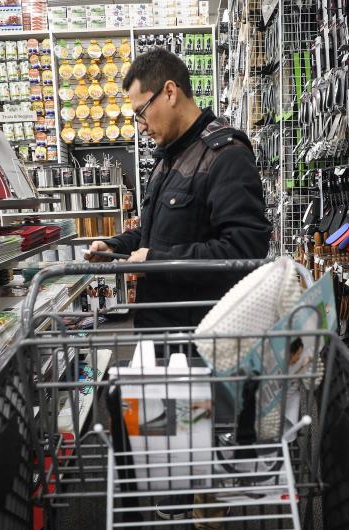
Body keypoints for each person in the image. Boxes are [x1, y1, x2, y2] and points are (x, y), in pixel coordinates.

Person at [84, 48, 271, 330]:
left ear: (170, 92)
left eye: (141, 112)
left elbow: (244, 249)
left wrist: (157, 261)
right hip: (160, 329)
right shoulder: (167, 159)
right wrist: (115, 246)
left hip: (201, 339)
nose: (142, 127)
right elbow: (154, 232)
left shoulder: (225, 155)